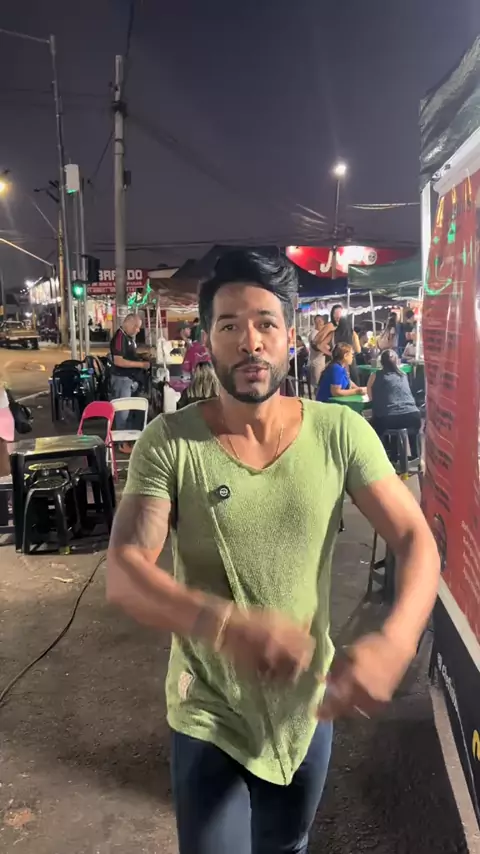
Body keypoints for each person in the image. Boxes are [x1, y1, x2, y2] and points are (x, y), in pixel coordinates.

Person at [107, 249, 439, 854]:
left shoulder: (339, 432)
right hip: (209, 710)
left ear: (290, 336)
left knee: (289, 845)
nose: (249, 341)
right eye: (229, 325)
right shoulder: (170, 442)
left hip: (307, 707)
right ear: (207, 340)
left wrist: (396, 641)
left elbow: (416, 538)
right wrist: (226, 626)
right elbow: (127, 570)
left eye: (265, 323)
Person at [367, 349, 422, 459]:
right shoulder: (403, 375)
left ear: (381, 362)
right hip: (413, 416)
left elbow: (371, 397)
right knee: (405, 425)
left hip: (389, 418)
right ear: (397, 361)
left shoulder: (375, 375)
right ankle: (416, 457)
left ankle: (387, 456)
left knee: (375, 423)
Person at [109, 313, 150, 431]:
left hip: (130, 379)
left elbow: (128, 355)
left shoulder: (128, 337)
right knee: (123, 412)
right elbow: (118, 361)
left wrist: (141, 356)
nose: (138, 330)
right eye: (136, 326)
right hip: (122, 379)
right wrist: (141, 365)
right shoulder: (119, 338)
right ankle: (121, 439)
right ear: (128, 323)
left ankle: (128, 436)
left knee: (129, 412)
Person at [333, 316, 361, 384]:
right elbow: (358, 350)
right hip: (349, 358)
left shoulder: (334, 333)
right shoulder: (353, 333)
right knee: (354, 379)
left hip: (337, 358)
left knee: (338, 379)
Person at [307, 315, 327, 387]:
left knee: (321, 384)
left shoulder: (321, 333)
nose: (320, 323)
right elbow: (316, 347)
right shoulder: (314, 334)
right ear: (315, 323)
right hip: (316, 364)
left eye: (321, 321)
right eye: (318, 321)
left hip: (321, 363)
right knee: (318, 385)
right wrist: (326, 348)